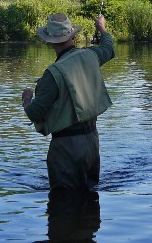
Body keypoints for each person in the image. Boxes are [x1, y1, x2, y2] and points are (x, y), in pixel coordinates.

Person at [22, 13, 114, 190]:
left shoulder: (53, 73)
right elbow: (109, 49)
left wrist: (27, 99)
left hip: (66, 147)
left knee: (63, 203)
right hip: (92, 141)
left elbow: (34, 113)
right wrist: (102, 29)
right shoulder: (92, 55)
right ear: (72, 35)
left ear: (50, 41)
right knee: (90, 200)